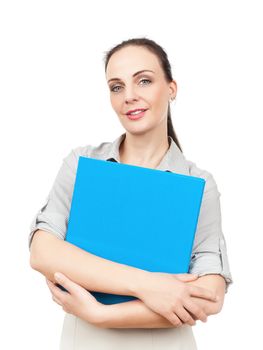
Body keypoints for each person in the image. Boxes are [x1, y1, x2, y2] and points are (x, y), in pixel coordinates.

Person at [28, 37, 233, 350]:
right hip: (82, 342)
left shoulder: (198, 184)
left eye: (144, 81)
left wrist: (101, 314)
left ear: (171, 88)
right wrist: (149, 285)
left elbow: (209, 294)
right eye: (116, 86)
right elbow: (43, 252)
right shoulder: (82, 164)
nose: (130, 96)